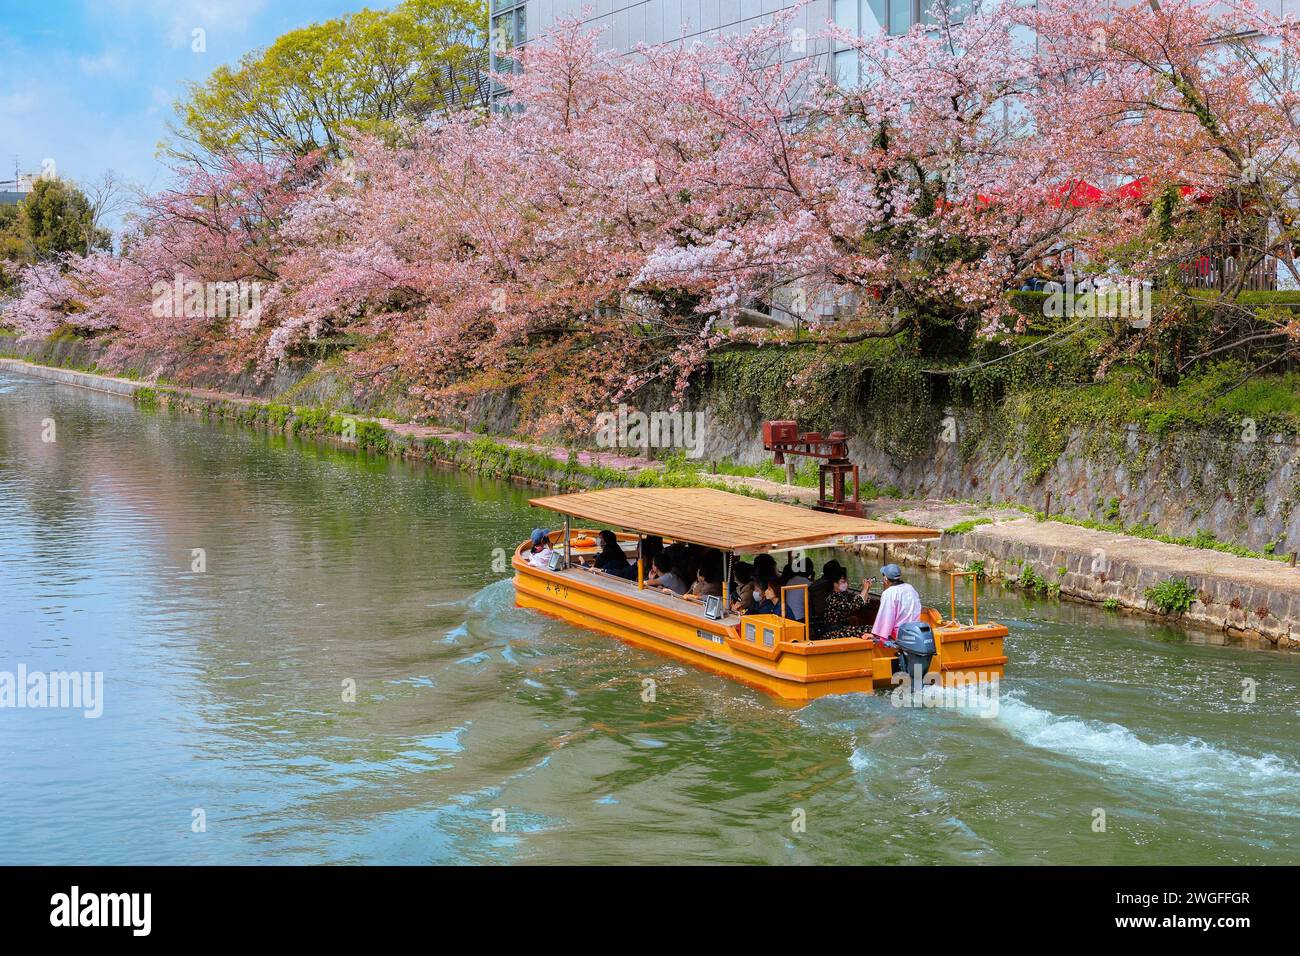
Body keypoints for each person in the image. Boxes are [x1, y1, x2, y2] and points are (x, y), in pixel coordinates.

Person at [820, 567, 877, 640]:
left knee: (873, 629)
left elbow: (861, 602)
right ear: (835, 584)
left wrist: (867, 588)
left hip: (843, 628)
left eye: (846, 581)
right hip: (833, 632)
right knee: (869, 631)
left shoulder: (842, 595)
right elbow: (853, 606)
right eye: (843, 582)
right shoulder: (833, 598)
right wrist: (865, 588)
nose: (846, 584)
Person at [871, 563, 922, 644]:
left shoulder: (889, 593)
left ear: (885, 579)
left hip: (900, 633)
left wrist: (878, 636)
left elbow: (886, 617)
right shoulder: (910, 588)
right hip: (915, 629)